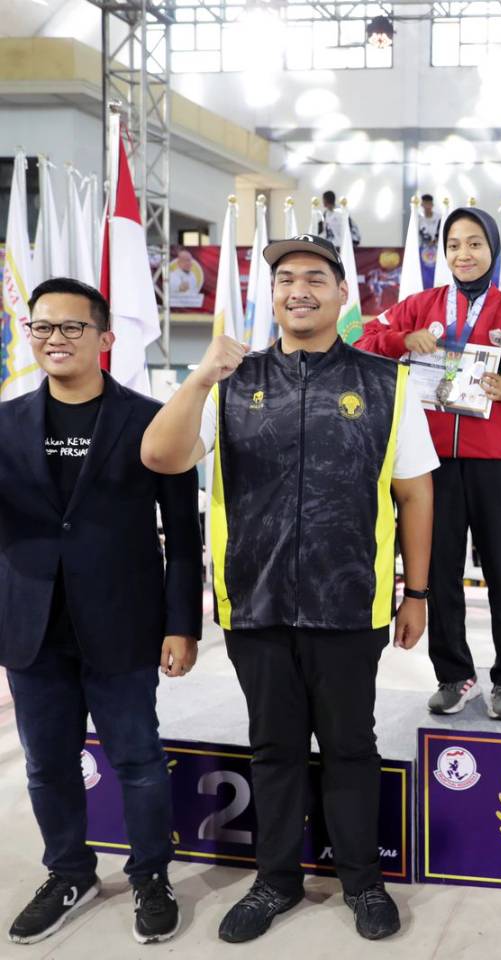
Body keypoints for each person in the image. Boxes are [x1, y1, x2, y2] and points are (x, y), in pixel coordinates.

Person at [140, 234, 437, 944]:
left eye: (314, 277)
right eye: (284, 279)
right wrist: (199, 379)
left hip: (350, 601)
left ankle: (363, 881)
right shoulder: (229, 380)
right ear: (271, 296)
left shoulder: (387, 383)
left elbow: (416, 494)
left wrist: (418, 592)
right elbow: (160, 455)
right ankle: (275, 880)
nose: (298, 289)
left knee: (350, 745)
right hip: (256, 599)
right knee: (272, 747)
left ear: (342, 293)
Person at [0, 278, 202, 946]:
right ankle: (68, 873)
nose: (55, 338)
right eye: (42, 327)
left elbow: (184, 536)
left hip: (123, 622)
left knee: (138, 759)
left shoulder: (152, 420)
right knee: (46, 765)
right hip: (32, 629)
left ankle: (151, 875)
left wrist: (182, 624)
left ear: (105, 338)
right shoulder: (6, 423)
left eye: (71, 327)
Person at [357, 206, 501, 719]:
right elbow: (362, 344)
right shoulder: (420, 305)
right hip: (430, 461)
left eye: (475, 243)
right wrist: (401, 340)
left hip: (494, 459)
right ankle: (455, 675)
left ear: (492, 249)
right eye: (454, 245)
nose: (464, 254)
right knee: (440, 571)